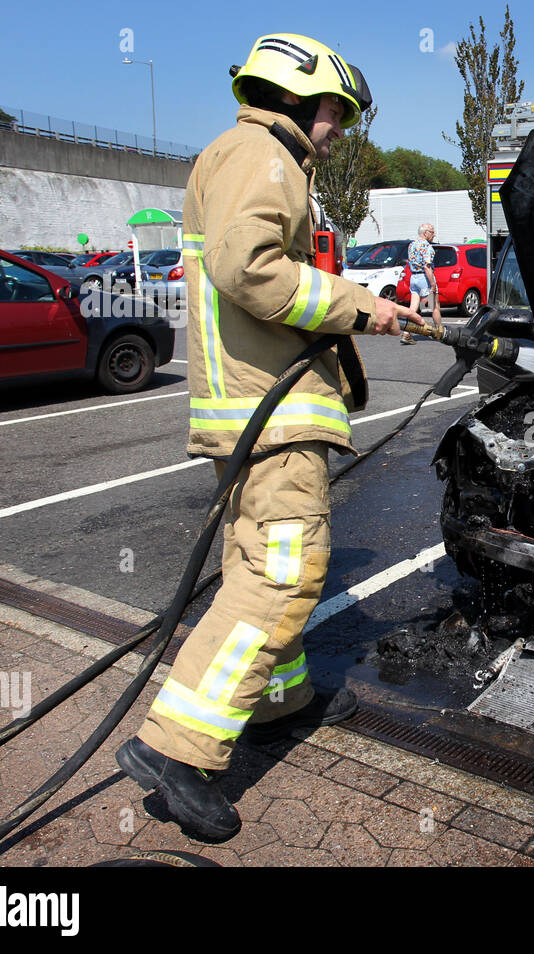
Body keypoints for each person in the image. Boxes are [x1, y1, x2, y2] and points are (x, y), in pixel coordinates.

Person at [115, 32, 422, 841]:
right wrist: (363, 305)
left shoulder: (238, 152)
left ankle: (279, 703)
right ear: (298, 96)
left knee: (259, 562)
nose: (341, 129)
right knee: (285, 577)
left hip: (247, 412)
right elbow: (248, 266)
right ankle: (179, 750)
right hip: (271, 414)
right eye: (336, 112)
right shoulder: (266, 155)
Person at [402, 222, 441, 344]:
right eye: (432, 232)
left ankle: (406, 333)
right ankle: (440, 332)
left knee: (413, 307)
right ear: (425, 233)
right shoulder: (427, 247)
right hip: (424, 278)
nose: (434, 235)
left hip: (414, 278)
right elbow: (427, 266)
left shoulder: (412, 245)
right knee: (434, 306)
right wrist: (433, 283)